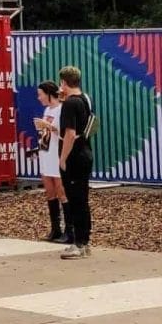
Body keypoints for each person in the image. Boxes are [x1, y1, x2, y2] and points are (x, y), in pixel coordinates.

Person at [57, 66, 95, 259]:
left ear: (64, 83)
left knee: (76, 200)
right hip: (86, 152)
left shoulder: (70, 104)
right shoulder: (85, 99)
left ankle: (79, 244)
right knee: (82, 199)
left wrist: (63, 158)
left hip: (74, 157)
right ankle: (84, 241)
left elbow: (70, 134)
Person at [32, 80, 66, 243]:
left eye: (41, 94)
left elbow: (65, 132)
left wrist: (47, 125)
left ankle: (69, 229)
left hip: (56, 154)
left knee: (62, 191)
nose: (39, 98)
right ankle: (55, 228)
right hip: (46, 152)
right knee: (50, 192)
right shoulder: (47, 110)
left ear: (49, 94)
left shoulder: (61, 109)